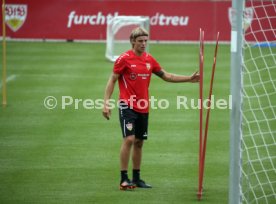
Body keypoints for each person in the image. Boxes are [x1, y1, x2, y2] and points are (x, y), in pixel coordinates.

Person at [102, 27, 200, 190]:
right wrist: (106, 102)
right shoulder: (124, 59)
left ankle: (137, 178)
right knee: (129, 139)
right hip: (127, 105)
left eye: (146, 41)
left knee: (139, 142)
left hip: (143, 107)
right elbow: (112, 80)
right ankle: (124, 179)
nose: (144, 44)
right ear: (133, 41)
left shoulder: (149, 60)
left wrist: (188, 79)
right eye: (140, 41)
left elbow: (166, 76)